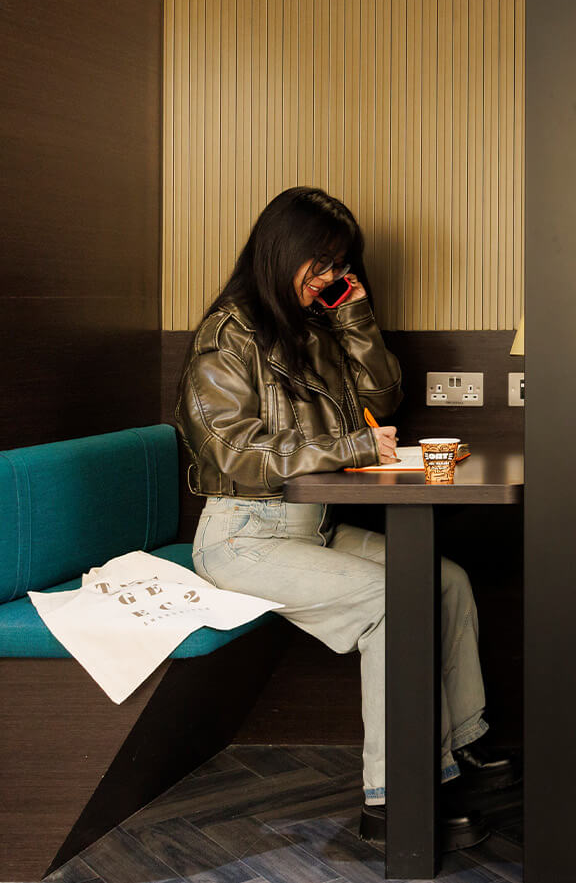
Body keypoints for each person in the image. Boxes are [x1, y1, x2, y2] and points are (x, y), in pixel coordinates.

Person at [175, 186, 517, 850]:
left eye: (339, 264)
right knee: (395, 600)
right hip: (245, 533)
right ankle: (396, 797)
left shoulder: (317, 327)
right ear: (281, 251)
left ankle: (457, 746)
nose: (330, 276)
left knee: (443, 578)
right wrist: (349, 445)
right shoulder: (229, 332)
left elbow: (382, 397)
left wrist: (355, 318)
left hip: (314, 524)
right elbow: (231, 449)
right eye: (321, 262)